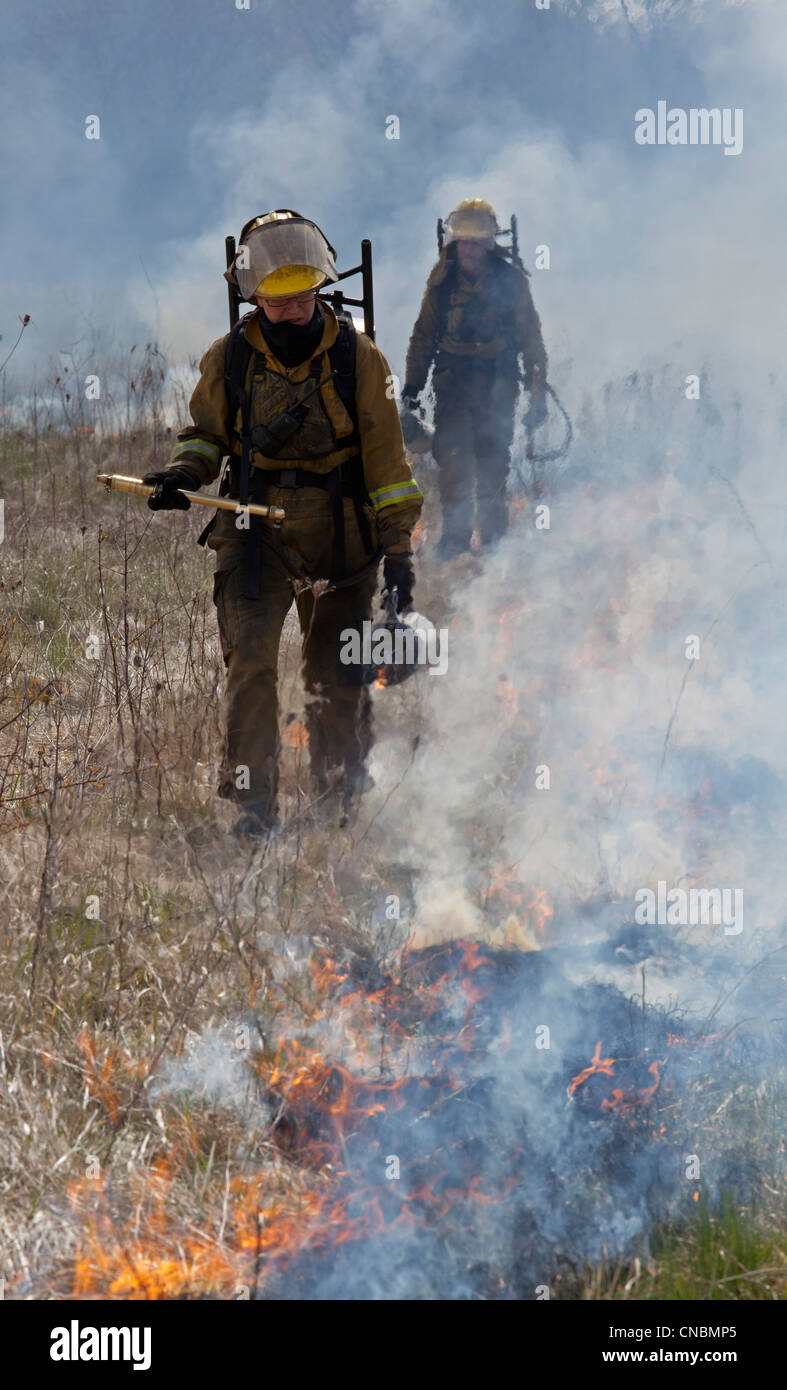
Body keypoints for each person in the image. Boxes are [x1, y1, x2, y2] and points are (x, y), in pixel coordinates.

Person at [142, 209, 423, 836]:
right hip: (252, 535)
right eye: (278, 301)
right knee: (250, 668)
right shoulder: (230, 358)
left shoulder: (360, 359)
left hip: (341, 538)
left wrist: (399, 555)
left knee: (336, 678)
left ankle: (336, 803)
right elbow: (206, 437)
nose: (292, 310)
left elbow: (388, 468)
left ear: (319, 289)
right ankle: (252, 807)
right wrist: (183, 475)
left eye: (302, 298)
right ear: (255, 298)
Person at [402, 197, 548, 559]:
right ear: (453, 244)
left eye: (475, 242)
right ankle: (454, 540)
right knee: (452, 459)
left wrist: (538, 393)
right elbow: (423, 337)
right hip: (453, 382)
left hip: (498, 381)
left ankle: (495, 543)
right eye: (462, 242)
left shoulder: (512, 281)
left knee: (493, 459)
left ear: (488, 244)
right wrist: (411, 389)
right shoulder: (441, 282)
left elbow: (531, 338)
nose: (468, 249)